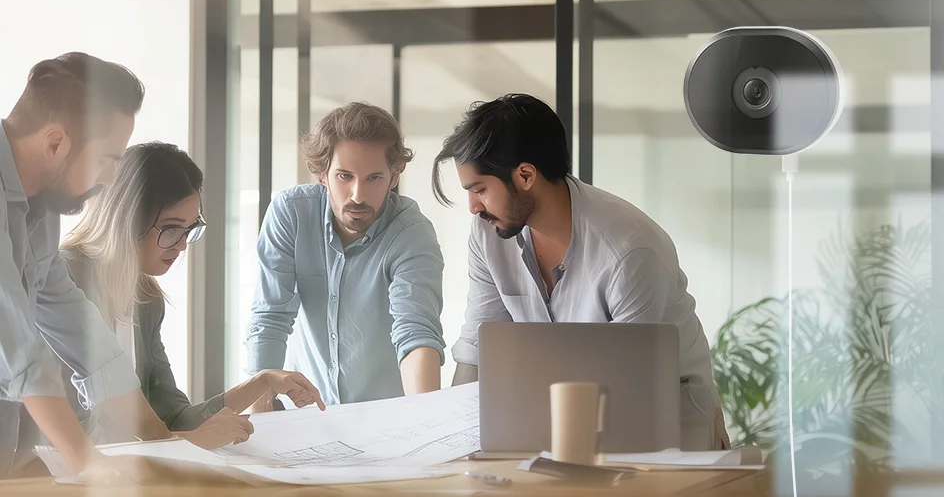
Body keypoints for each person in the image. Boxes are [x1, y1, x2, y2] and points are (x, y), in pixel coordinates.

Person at [432, 93, 731, 451]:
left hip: (669, 419)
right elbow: (477, 348)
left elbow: (629, 387)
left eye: (479, 189)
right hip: (561, 416)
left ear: (525, 175)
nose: (472, 207)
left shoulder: (629, 252)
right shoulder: (490, 233)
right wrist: (451, 447)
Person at [47, 141, 324, 450]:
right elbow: (68, 435)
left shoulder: (145, 300)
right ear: (127, 218)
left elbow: (175, 419)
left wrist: (263, 381)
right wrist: (188, 442)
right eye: (171, 228)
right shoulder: (59, 283)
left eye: (190, 229)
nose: (182, 245)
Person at [0, 52, 165, 480]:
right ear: (55, 142)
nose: (110, 179)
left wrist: (165, 443)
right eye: (107, 159)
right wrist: (89, 461)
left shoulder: (40, 210)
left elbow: (78, 326)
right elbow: (18, 349)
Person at [245, 102, 446, 409]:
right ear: (322, 173)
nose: (357, 195)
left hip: (387, 420)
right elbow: (270, 318)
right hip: (309, 417)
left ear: (394, 176)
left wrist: (424, 417)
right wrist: (260, 419)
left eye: (374, 178)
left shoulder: (411, 232)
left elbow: (416, 331)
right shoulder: (291, 214)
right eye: (344, 176)